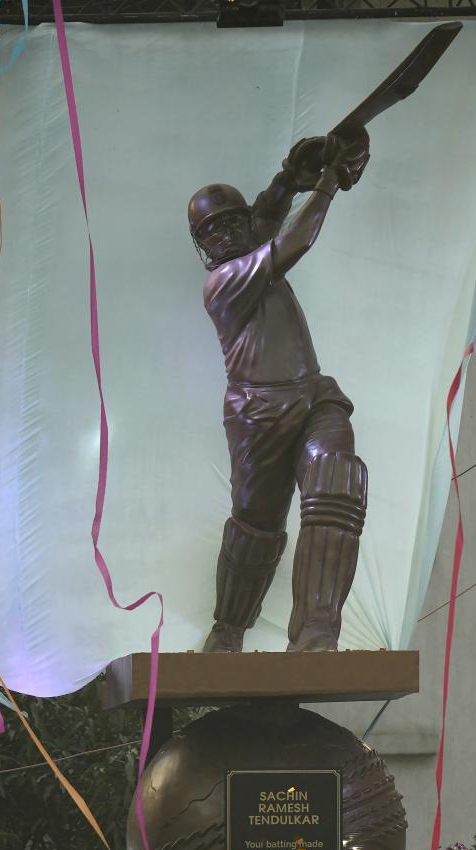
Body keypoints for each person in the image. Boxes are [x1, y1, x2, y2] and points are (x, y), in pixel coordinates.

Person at [188, 129, 370, 654]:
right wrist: (328, 184)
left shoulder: (249, 242)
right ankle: (228, 630)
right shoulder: (225, 281)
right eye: (210, 230)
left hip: (313, 397)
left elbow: (267, 215)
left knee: (335, 480)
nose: (223, 235)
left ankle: (316, 629)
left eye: (229, 222)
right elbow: (292, 240)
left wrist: (290, 178)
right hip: (257, 414)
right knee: (255, 528)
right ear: (202, 244)